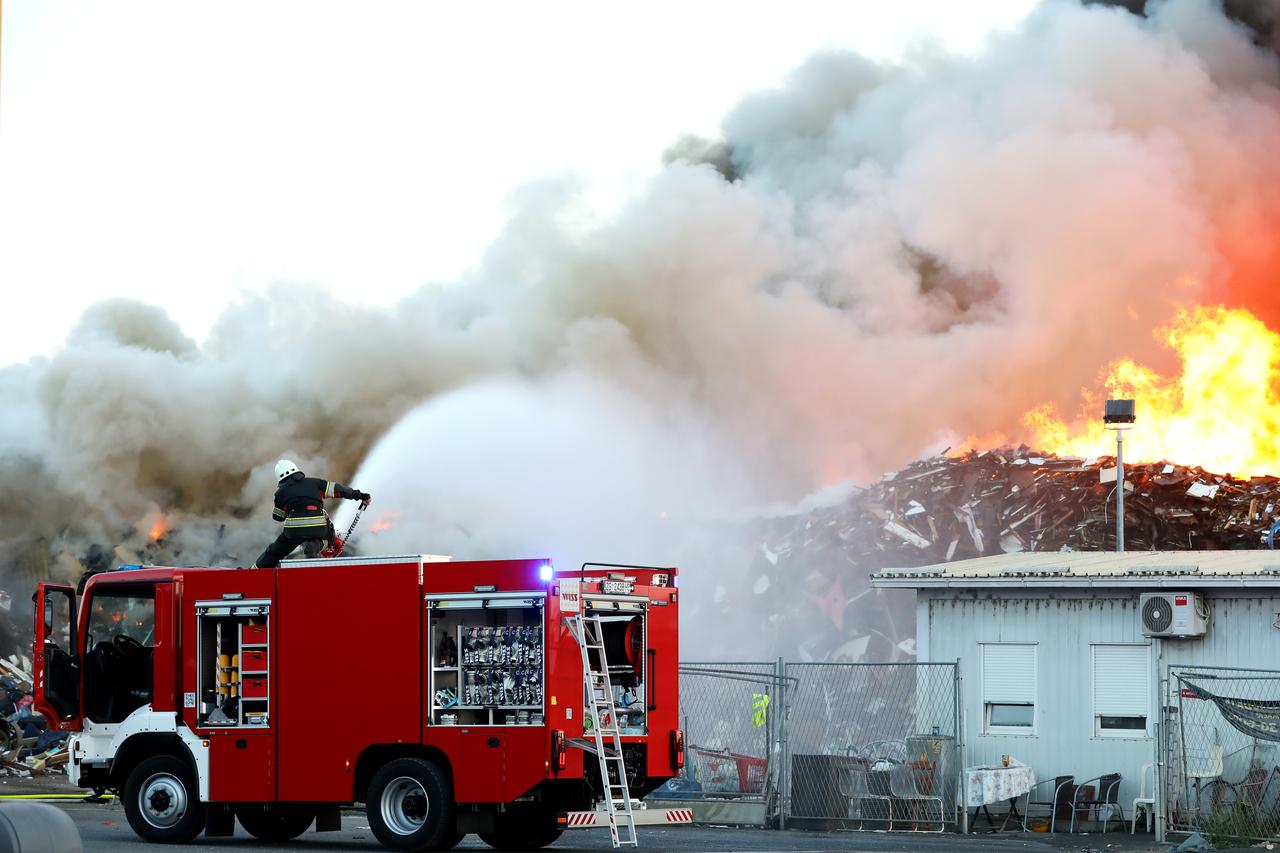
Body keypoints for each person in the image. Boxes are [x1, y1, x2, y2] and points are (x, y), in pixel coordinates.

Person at [252, 459, 371, 568]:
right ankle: (318, 544)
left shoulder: (280, 493)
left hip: (294, 532)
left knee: (274, 552)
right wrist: (361, 496)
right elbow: (340, 491)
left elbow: (278, 517)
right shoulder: (315, 483)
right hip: (318, 528)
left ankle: (253, 571)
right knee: (329, 532)